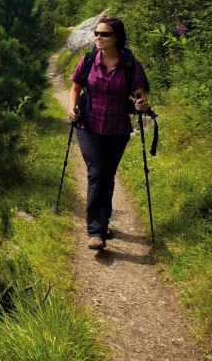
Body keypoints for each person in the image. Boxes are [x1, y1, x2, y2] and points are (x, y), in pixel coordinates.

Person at [68, 17, 150, 250]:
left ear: (117, 37)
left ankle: (103, 220)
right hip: (88, 126)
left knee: (108, 175)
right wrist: (72, 109)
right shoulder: (87, 61)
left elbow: (139, 95)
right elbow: (75, 88)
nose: (98, 37)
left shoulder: (131, 65)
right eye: (96, 33)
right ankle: (96, 231)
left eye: (104, 34)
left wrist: (141, 103)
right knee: (96, 173)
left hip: (117, 128)